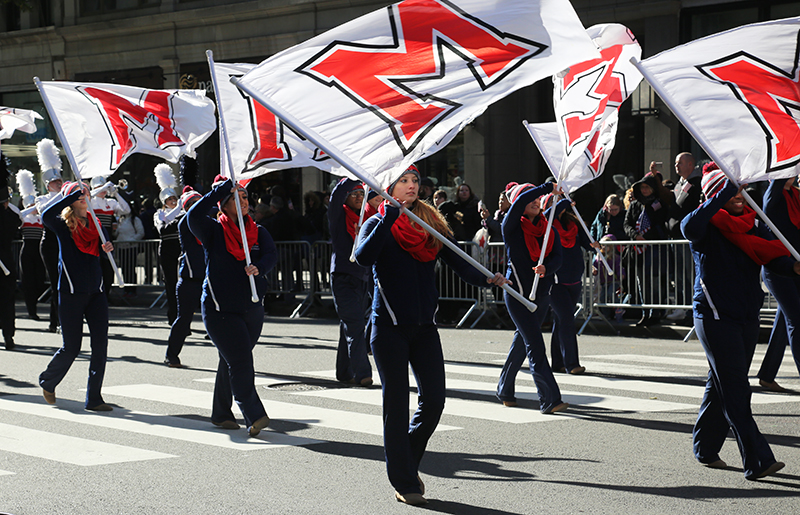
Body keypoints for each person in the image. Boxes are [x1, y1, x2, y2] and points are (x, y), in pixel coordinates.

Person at [354, 166, 508, 505]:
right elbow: (363, 257)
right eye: (403, 182)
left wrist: (488, 279)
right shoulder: (377, 222)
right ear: (390, 188)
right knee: (396, 406)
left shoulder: (430, 222)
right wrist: (388, 217)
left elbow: (460, 261)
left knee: (434, 401)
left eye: (414, 181)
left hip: (425, 327)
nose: (411, 186)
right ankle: (404, 480)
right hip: (389, 327)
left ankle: (405, 457)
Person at [682, 167, 798, 480]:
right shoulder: (703, 225)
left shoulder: (752, 223)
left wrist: (795, 266)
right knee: (735, 387)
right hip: (714, 316)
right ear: (713, 194)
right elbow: (689, 226)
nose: (737, 196)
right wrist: (722, 191)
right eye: (728, 191)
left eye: (738, 191)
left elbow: (772, 257)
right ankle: (757, 459)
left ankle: (705, 447)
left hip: (746, 317)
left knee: (720, 384)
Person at [187, 176, 277, 436]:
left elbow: (271, 254)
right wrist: (218, 191)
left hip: (252, 307)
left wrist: (260, 267)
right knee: (241, 361)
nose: (244, 201)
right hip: (220, 310)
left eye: (246, 196)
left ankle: (220, 412)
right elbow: (192, 217)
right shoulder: (213, 230)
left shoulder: (259, 231)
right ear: (223, 205)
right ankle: (254, 413)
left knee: (232, 359)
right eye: (236, 197)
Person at [39, 181, 115, 411]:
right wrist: (69, 195)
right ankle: (48, 381)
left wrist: (108, 249)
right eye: (77, 194)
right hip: (71, 292)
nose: (83, 196)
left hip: (96, 292)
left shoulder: (97, 224)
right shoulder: (62, 224)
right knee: (72, 347)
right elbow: (45, 215)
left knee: (100, 345)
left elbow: (100, 256)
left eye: (85, 193)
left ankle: (94, 398)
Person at [496, 183, 567, 413]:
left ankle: (504, 389)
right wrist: (547, 188)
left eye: (538, 200)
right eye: (531, 199)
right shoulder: (511, 226)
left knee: (523, 342)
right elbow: (518, 204)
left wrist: (547, 267)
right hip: (517, 294)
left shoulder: (549, 231)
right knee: (535, 344)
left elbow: (558, 257)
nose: (536, 202)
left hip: (541, 294)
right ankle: (550, 399)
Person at [546, 196, 599, 375]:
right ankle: (572, 363)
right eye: (555, 200)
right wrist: (564, 202)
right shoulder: (546, 222)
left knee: (561, 320)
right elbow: (548, 215)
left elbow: (586, 242)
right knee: (567, 318)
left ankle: (558, 362)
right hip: (555, 280)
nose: (559, 203)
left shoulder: (573, 221)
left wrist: (593, 245)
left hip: (575, 277)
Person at [757, 176, 800, 392]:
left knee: (785, 321)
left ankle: (767, 375)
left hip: (796, 267)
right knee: (797, 320)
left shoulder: (796, 194)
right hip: (777, 267)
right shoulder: (772, 195)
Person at [329, 178, 372, 386]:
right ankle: (363, 372)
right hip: (343, 278)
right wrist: (354, 175)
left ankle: (343, 371)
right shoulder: (338, 216)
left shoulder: (367, 218)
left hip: (362, 278)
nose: (357, 197)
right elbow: (336, 196)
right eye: (353, 193)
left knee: (349, 324)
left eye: (361, 193)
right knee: (355, 326)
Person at [623, 172, 671, 325]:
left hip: (654, 248)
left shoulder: (659, 204)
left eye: (647, 187)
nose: (644, 190)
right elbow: (627, 223)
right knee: (641, 281)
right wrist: (635, 235)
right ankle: (645, 312)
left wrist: (647, 236)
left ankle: (655, 312)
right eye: (642, 188)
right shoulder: (635, 204)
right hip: (637, 248)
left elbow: (660, 223)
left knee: (654, 280)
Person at [164, 187, 204, 368]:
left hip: (209, 279)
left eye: (199, 202)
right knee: (183, 320)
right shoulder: (184, 222)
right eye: (193, 204)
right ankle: (171, 355)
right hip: (189, 280)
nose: (198, 206)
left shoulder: (210, 222)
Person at [666, 153, 701, 321]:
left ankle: (693, 307)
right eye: (675, 163)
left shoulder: (697, 184)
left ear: (690, 164)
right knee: (679, 275)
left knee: (690, 273)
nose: (676, 166)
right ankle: (683, 306)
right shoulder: (680, 184)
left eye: (679, 163)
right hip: (676, 237)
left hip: (688, 238)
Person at [35, 139, 64, 333]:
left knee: (66, 281)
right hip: (50, 241)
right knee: (55, 282)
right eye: (54, 182)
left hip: (66, 240)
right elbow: (44, 212)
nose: (58, 184)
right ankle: (55, 320)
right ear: (48, 185)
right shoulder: (42, 198)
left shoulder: (66, 195)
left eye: (60, 181)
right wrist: (63, 196)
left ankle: (65, 319)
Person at [14, 169, 46, 322]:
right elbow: (18, 217)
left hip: (39, 252)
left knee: (40, 280)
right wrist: (28, 207)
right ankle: (31, 311)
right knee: (28, 282)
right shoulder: (23, 218)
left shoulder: (40, 219)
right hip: (27, 251)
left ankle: (36, 302)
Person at [89, 176, 131, 295]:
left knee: (108, 268)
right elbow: (89, 196)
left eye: (104, 188)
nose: (103, 190)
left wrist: (116, 194)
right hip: (93, 238)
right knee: (95, 267)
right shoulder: (90, 201)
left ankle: (105, 294)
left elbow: (126, 210)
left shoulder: (111, 202)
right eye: (100, 187)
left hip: (107, 238)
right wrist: (101, 187)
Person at [153, 163, 182, 325]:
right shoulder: (160, 214)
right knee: (171, 284)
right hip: (167, 250)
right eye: (170, 199)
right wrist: (178, 208)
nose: (173, 201)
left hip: (181, 249)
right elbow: (162, 227)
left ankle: (184, 318)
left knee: (184, 284)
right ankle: (173, 317)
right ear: (164, 202)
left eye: (174, 199)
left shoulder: (182, 212)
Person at [0, 173, 21, 350]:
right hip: (6, 261)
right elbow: (17, 218)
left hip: (4, 261)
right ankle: (8, 335)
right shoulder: (10, 216)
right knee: (7, 301)